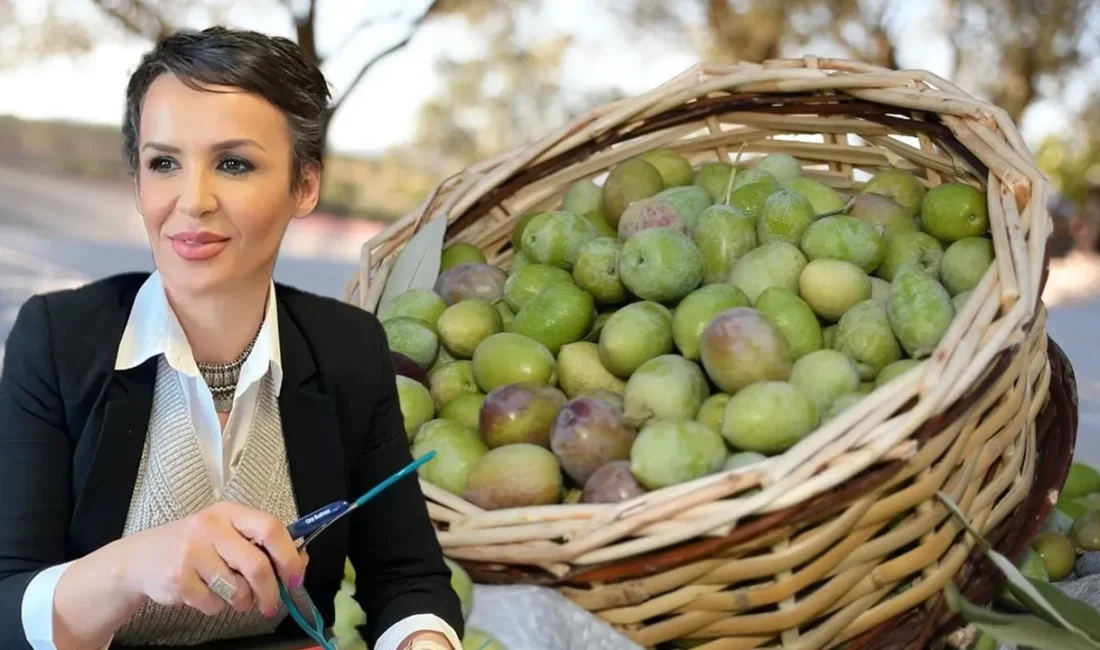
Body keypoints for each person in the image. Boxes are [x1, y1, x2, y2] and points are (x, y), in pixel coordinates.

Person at [0, 26, 464, 650]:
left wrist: (422, 641)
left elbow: (407, 579)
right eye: (163, 163)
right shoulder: (56, 339)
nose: (192, 201)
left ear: (305, 186)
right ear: (137, 181)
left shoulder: (349, 348)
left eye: (234, 163)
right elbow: (6, 603)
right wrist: (128, 569)